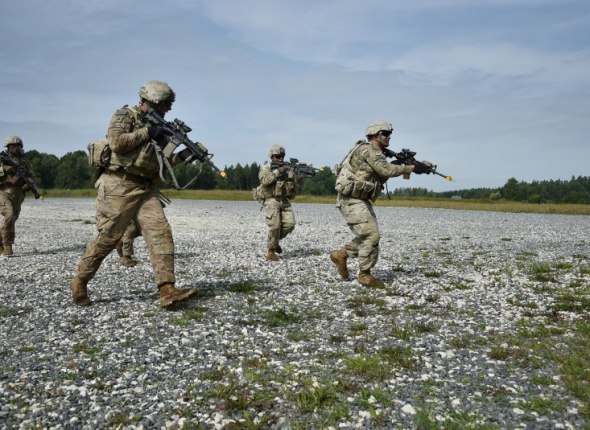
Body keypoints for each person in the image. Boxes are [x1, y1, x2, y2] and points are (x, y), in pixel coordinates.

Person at [70, 80, 198, 308]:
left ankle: (167, 289)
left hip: (145, 188)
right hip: (118, 184)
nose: (169, 108)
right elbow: (117, 143)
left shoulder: (161, 128)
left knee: (160, 232)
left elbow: (161, 164)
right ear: (153, 100)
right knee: (107, 238)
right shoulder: (125, 115)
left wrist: (184, 155)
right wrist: (148, 131)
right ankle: (80, 281)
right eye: (166, 103)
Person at [329, 120, 429, 288]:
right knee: (372, 234)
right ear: (375, 135)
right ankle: (364, 275)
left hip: (360, 199)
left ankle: (341, 255)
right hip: (351, 199)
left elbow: (383, 171)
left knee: (367, 234)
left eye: (390, 134)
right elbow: (386, 170)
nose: (389, 137)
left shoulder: (378, 153)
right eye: (385, 134)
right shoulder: (369, 150)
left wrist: (409, 165)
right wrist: (410, 168)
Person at [257, 145, 297, 261]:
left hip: (284, 200)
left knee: (290, 224)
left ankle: (275, 242)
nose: (281, 159)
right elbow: (264, 180)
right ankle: (271, 251)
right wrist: (277, 172)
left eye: (282, 156)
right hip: (271, 199)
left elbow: (292, 191)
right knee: (274, 226)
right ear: (272, 156)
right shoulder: (266, 168)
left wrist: (291, 178)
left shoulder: (286, 168)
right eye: (278, 156)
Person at [0, 136, 38, 256]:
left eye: (18, 146)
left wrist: (28, 185)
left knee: (11, 221)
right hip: (4, 191)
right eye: (13, 146)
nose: (16, 148)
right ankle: (7, 246)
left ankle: (1, 242)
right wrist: (6, 169)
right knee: (10, 215)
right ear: (8, 147)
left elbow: (32, 176)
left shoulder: (24, 162)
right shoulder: (2, 159)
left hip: (18, 194)